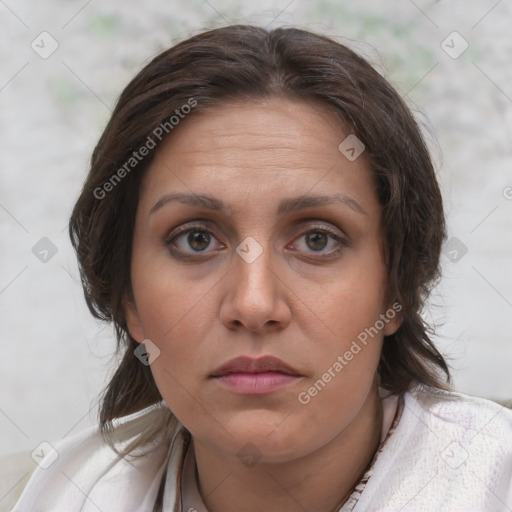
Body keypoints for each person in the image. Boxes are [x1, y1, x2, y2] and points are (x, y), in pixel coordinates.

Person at [6, 24, 512, 512]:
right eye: (196, 239)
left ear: (395, 288)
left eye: (317, 240)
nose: (253, 304)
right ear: (129, 297)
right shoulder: (57, 494)